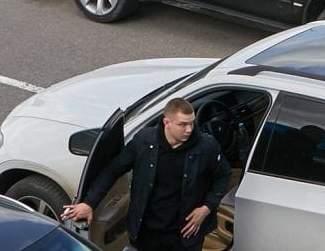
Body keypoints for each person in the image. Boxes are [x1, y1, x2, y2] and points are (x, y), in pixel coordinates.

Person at [63, 98, 231, 251]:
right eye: (182, 124)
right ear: (167, 122)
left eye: (191, 123)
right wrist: (89, 203)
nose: (189, 129)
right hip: (147, 233)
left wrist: (206, 208)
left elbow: (223, 176)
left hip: (185, 235)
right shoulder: (144, 141)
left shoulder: (206, 146)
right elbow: (113, 169)